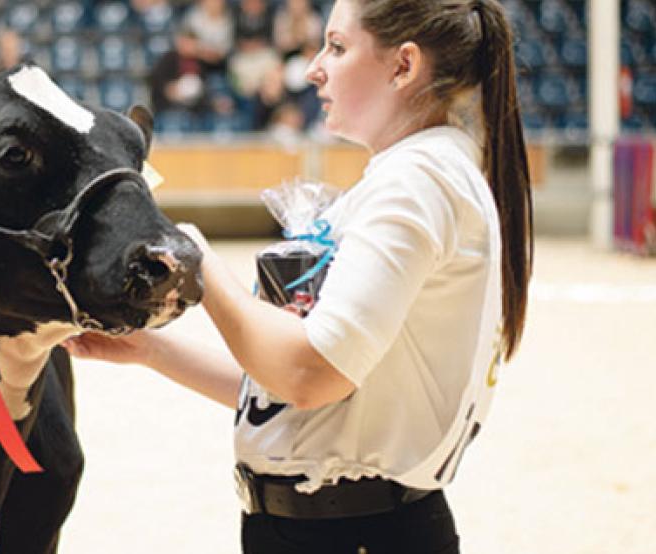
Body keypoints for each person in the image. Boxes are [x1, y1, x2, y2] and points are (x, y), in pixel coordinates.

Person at [65, 0, 532, 552]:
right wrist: (153, 352)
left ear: (404, 66)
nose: (314, 67)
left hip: (353, 530)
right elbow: (298, 394)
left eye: (336, 47)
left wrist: (199, 259)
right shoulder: (418, 174)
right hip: (341, 523)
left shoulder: (416, 182)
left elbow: (310, 375)